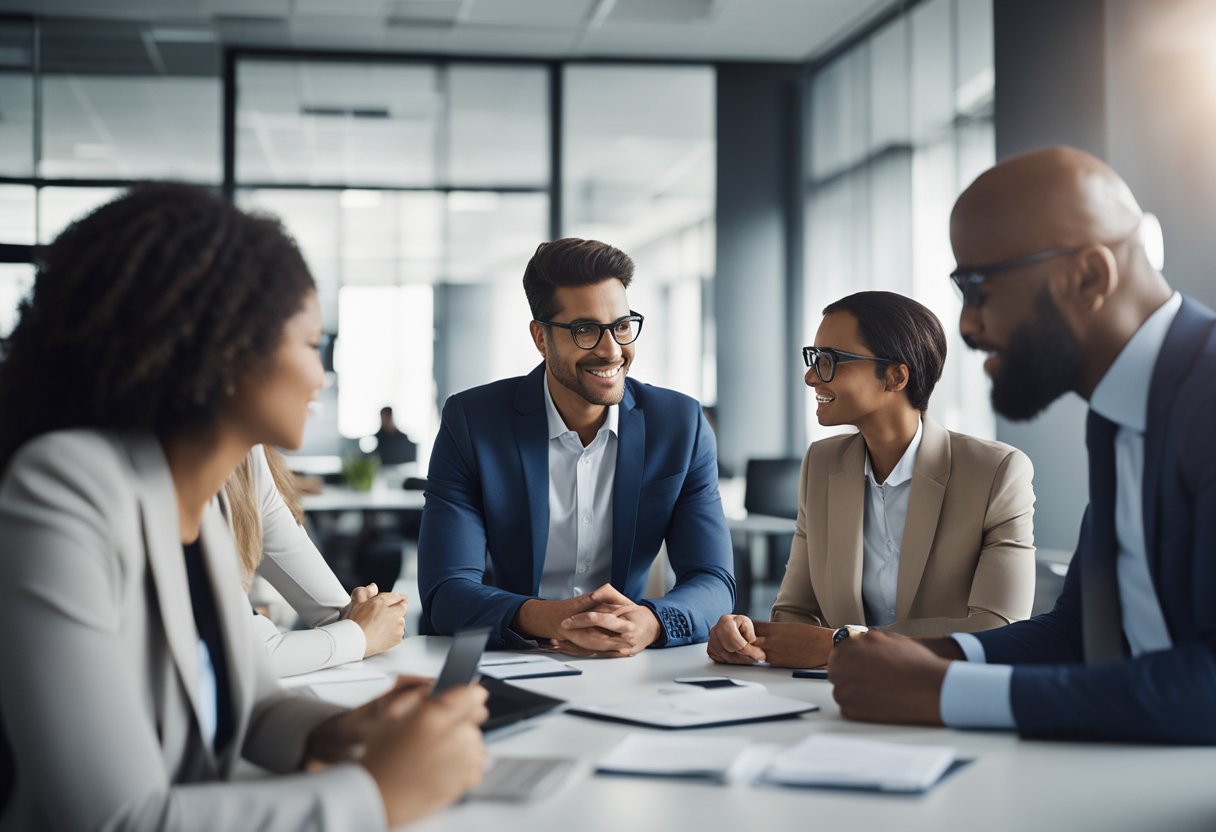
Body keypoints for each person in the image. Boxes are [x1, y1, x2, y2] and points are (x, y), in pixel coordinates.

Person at [0, 183, 487, 829]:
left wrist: (336, 732)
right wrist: (377, 794)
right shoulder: (66, 488)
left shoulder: (196, 498)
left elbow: (251, 704)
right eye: (312, 346)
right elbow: (116, 820)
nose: (322, 376)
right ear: (228, 351)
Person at [828, 146, 1216, 745]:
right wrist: (920, 655)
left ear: (1088, 277)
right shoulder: (1122, 413)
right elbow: (1080, 633)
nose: (966, 326)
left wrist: (944, 692)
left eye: (977, 289)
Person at [418, 238, 735, 654]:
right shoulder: (474, 423)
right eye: (585, 330)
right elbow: (446, 591)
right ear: (541, 337)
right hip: (510, 655)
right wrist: (553, 620)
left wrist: (653, 621)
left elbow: (714, 580)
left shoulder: (680, 425)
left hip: (627, 659)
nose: (612, 351)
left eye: (621, 326)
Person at [707, 291, 1036, 669]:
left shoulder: (996, 472)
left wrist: (845, 645)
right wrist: (750, 638)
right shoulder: (822, 464)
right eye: (814, 358)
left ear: (896, 376)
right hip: (835, 702)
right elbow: (796, 613)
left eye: (831, 361)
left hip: (945, 700)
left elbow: (998, 628)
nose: (811, 375)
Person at [223, 445, 408, 677]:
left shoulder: (251, 458)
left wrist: (365, 616)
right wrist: (360, 633)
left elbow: (335, 613)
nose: (313, 407)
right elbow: (249, 657)